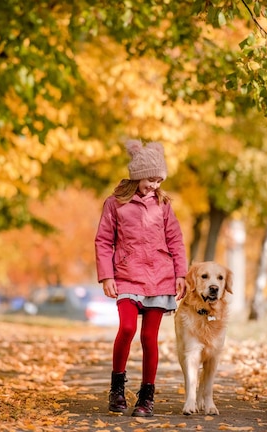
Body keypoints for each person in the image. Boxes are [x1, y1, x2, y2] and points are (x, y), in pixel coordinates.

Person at [95, 139, 188, 417]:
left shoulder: (164, 204)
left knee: (149, 337)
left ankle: (147, 396)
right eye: (151, 179)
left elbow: (176, 240)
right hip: (127, 276)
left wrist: (180, 274)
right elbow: (103, 241)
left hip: (160, 277)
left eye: (159, 180)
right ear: (137, 176)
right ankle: (117, 389)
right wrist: (106, 276)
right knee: (126, 329)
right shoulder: (115, 204)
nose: (155, 185)